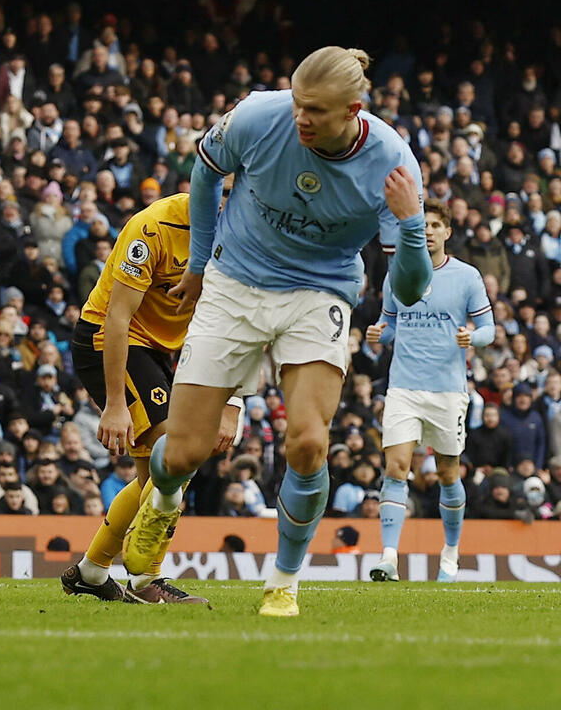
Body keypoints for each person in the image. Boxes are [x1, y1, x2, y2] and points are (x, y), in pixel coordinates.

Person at [124, 47, 431, 617]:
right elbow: (205, 173)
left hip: (320, 293)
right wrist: (198, 263)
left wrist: (412, 223)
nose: (300, 118)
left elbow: (410, 290)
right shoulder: (258, 115)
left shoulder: (393, 165)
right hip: (234, 282)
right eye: (297, 103)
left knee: (310, 443)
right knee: (183, 453)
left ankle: (284, 582)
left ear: (353, 111)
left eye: (315, 110)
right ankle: (163, 498)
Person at [60, 192, 242, 605]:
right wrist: (115, 404)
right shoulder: (152, 227)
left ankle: (92, 571)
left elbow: (239, 322)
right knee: (175, 456)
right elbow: (117, 316)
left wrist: (234, 404)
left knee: (154, 475)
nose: (228, 201)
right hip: (109, 340)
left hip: (163, 348)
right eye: (222, 189)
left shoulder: (242, 231)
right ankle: (146, 581)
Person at [365, 198, 494, 582]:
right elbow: (388, 324)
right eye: (422, 225)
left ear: (447, 232)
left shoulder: (467, 276)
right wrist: (378, 333)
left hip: (447, 391)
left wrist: (472, 337)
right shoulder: (397, 275)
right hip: (403, 387)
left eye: (435, 225)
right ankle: (389, 557)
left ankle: (450, 556)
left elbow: (489, 329)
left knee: (448, 474)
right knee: (395, 468)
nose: (428, 231)